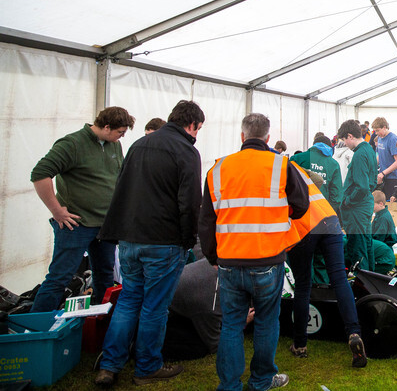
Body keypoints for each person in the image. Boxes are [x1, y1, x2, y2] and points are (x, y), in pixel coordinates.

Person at [94, 100, 205, 387]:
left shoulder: (138, 145)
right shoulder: (187, 150)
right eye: (198, 129)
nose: (197, 134)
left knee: (129, 301)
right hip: (163, 241)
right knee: (154, 306)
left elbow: (121, 188)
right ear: (192, 125)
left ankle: (108, 365)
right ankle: (147, 367)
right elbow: (190, 203)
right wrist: (188, 240)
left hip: (130, 238)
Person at [199, 112, 310, 391]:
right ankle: (261, 380)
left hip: (229, 261)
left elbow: (206, 219)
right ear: (268, 138)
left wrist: (212, 257)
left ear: (242, 136)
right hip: (267, 260)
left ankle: (229, 385)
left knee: (232, 324)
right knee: (266, 323)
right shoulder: (281, 165)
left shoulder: (218, 169)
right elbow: (302, 206)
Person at [30, 106, 135, 313]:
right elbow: (40, 173)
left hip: (105, 226)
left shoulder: (114, 145)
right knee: (60, 276)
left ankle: (100, 322)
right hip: (77, 224)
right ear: (106, 127)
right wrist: (57, 210)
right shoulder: (72, 144)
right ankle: (36, 329)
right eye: (120, 132)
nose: (122, 136)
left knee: (104, 274)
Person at [286, 168, 367, 368]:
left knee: (303, 285)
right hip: (329, 219)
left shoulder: (275, 175)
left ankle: (300, 344)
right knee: (340, 279)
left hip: (304, 227)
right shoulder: (298, 172)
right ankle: (354, 333)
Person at [337, 119, 376, 272]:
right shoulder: (369, 149)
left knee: (358, 248)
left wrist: (347, 201)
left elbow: (362, 186)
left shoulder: (359, 154)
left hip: (356, 208)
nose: (345, 144)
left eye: (344, 140)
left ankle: (362, 281)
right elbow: (371, 182)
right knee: (366, 244)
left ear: (350, 136)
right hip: (364, 204)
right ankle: (371, 277)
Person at [290, 134, 343, 215]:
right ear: (329, 147)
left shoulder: (296, 158)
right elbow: (336, 194)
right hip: (322, 211)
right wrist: (329, 213)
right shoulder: (333, 164)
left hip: (299, 211)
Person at [371, 117, 397, 208]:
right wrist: (373, 166)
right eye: (375, 131)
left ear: (384, 127)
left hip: (394, 176)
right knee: (385, 202)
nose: (376, 133)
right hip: (385, 175)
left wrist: (383, 173)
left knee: (394, 204)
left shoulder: (392, 139)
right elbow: (380, 155)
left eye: (378, 130)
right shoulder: (379, 138)